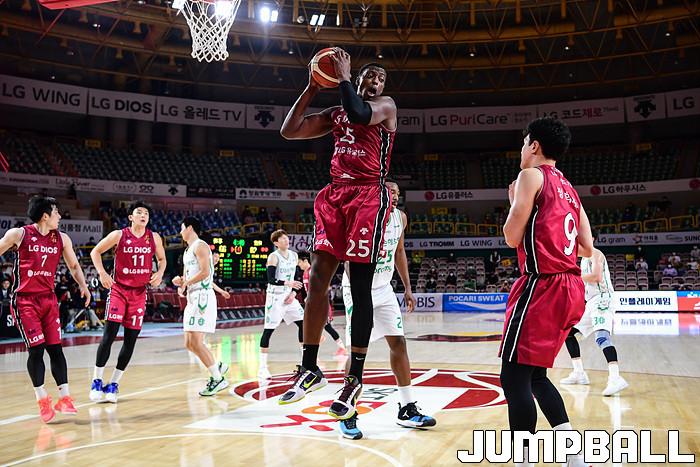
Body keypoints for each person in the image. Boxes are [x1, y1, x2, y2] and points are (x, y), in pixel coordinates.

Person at [278, 46, 397, 421]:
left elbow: (360, 114)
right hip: (335, 195)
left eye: (381, 78)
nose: (375, 81)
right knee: (316, 280)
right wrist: (313, 86)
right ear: (359, 79)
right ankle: (309, 367)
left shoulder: (385, 107)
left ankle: (354, 378)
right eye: (370, 75)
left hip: (368, 196)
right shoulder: (335, 113)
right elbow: (289, 130)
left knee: (359, 288)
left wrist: (344, 77)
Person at [498, 117, 593, 467]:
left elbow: (511, 237)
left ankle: (523, 460)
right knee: (536, 377)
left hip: (543, 284)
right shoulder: (569, 187)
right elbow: (587, 246)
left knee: (513, 378)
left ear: (534, 145)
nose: (522, 149)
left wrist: (514, 202)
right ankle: (575, 457)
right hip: (571, 287)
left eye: (525, 143)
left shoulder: (530, 176)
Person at [340, 181, 435, 439]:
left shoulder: (400, 217)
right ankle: (347, 411)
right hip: (358, 290)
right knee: (357, 352)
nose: (393, 195)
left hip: (384, 289)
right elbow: (347, 256)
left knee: (399, 343)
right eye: (388, 191)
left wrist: (408, 287)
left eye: (396, 192)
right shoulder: (362, 215)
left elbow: (400, 251)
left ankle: (407, 407)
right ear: (377, 194)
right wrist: (359, 292)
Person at [0, 196, 90, 423]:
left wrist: (83, 285)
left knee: (56, 349)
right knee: (37, 350)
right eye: (56, 212)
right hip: (25, 301)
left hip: (49, 300)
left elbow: (74, 265)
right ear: (45, 216)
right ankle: (42, 399)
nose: (60, 216)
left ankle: (65, 398)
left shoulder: (62, 238)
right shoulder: (19, 235)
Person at [89, 201, 166, 403]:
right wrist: (102, 273)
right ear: (131, 217)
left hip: (139, 294)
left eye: (146, 213)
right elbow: (95, 252)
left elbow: (162, 259)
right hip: (119, 291)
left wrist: (160, 273)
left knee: (130, 341)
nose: (143, 215)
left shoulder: (154, 237)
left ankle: (113, 384)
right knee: (109, 336)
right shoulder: (119, 235)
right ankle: (96, 380)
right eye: (139, 212)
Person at [560, 232, 628, 396]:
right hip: (591, 302)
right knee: (569, 333)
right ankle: (579, 373)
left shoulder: (596, 254)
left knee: (602, 338)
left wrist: (573, 277)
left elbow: (596, 276)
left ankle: (615, 378)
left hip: (603, 299)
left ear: (591, 240)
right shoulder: (582, 260)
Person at [173, 217, 230, 396]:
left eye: (182, 228)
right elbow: (188, 276)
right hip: (193, 296)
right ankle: (217, 365)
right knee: (189, 343)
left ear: (189, 228)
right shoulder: (187, 251)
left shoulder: (201, 246)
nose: (180, 232)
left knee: (196, 342)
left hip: (202, 296)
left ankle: (218, 378)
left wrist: (186, 282)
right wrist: (180, 281)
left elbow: (205, 272)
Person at [258, 229, 305, 380]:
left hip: (288, 296)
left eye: (286, 237)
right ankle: (262, 368)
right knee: (269, 330)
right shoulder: (273, 257)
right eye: (282, 239)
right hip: (275, 297)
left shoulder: (294, 255)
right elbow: (271, 279)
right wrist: (288, 283)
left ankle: (305, 362)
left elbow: (296, 278)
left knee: (303, 324)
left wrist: (293, 293)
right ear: (276, 243)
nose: (286, 240)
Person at [297, 251, 347, 357]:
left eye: (299, 262)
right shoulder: (305, 273)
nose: (298, 265)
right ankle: (318, 339)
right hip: (312, 304)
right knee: (312, 325)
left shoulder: (313, 271)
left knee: (327, 327)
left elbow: (323, 287)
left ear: (305, 261)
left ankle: (342, 348)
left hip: (320, 304)